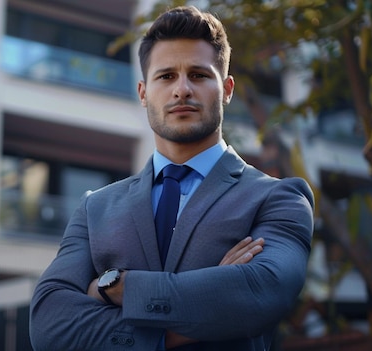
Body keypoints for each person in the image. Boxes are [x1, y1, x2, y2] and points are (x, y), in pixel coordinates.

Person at [30, 5, 314, 351]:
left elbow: (261, 290)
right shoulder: (95, 209)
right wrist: (196, 316)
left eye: (198, 75)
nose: (182, 90)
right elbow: (48, 324)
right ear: (143, 93)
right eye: (166, 76)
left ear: (226, 89)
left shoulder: (278, 198)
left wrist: (112, 287)